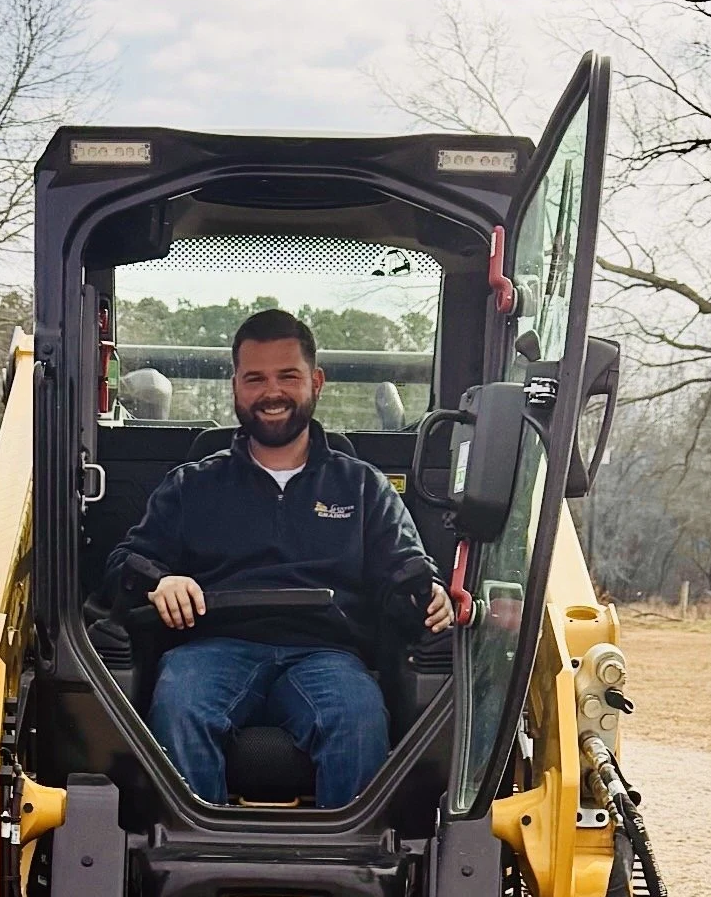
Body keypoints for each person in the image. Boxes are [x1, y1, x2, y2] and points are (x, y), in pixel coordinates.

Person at [101, 308, 454, 806]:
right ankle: (197, 856)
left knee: (357, 718)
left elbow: (407, 568)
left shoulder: (362, 486)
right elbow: (125, 564)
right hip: (212, 648)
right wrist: (160, 581)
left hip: (326, 654)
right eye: (256, 378)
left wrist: (431, 594)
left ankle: (346, 868)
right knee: (179, 705)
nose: (272, 392)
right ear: (236, 387)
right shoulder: (193, 486)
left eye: (288, 376)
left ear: (316, 381)